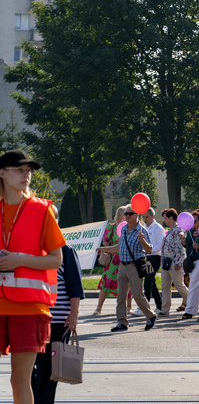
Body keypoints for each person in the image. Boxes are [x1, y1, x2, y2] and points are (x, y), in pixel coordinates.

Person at [0, 150, 65, 404]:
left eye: (28, 170)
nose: (26, 174)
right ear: (2, 173)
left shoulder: (41, 209)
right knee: (19, 380)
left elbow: (56, 259)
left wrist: (19, 260)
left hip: (28, 307)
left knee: (20, 380)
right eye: (19, 169)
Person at [31, 243, 83, 404]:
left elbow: (75, 286)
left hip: (57, 321)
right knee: (27, 368)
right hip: (31, 319)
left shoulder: (66, 251)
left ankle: (44, 401)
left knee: (49, 370)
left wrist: (74, 314)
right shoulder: (30, 249)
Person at [98, 204, 157, 332]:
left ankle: (151, 315)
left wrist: (142, 241)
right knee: (121, 296)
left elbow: (149, 250)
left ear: (137, 215)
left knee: (137, 294)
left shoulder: (142, 231)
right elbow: (120, 247)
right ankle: (122, 323)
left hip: (134, 266)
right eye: (126, 214)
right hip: (122, 266)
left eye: (130, 214)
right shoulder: (124, 229)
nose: (127, 216)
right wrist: (104, 249)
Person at [93, 206, 124, 316]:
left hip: (126, 259)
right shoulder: (112, 227)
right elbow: (105, 241)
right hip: (113, 259)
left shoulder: (130, 227)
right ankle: (98, 307)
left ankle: (128, 307)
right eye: (126, 215)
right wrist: (111, 250)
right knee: (106, 281)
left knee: (127, 283)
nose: (128, 217)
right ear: (120, 216)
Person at [159, 208, 188, 317]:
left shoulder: (178, 230)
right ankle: (165, 310)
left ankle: (193, 302)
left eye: (166, 218)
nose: (164, 220)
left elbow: (179, 248)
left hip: (175, 263)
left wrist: (178, 263)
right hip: (166, 263)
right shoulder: (170, 230)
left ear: (171, 218)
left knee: (179, 285)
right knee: (165, 286)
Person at [136, 207, 164, 315]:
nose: (145, 219)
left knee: (147, 282)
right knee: (152, 283)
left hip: (154, 257)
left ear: (153, 216)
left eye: (147, 217)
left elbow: (160, 244)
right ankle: (160, 305)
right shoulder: (142, 228)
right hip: (145, 257)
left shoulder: (158, 228)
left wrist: (150, 249)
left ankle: (145, 308)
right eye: (143, 217)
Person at [182, 210, 199, 320]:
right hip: (191, 261)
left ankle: (190, 311)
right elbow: (186, 245)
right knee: (198, 287)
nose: (192, 223)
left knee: (193, 285)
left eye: (195, 221)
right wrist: (183, 239)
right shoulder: (190, 231)